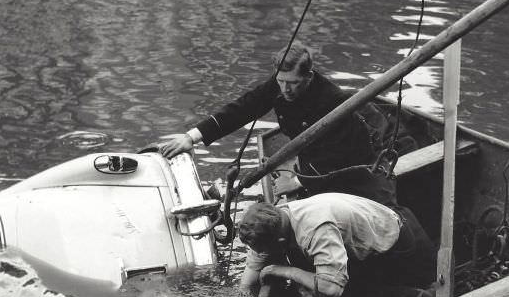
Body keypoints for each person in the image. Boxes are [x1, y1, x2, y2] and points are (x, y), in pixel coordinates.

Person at [158, 42, 397, 205]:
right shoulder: (280, 85)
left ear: (309, 77)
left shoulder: (332, 101)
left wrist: (296, 182)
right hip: (311, 160)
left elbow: (342, 155)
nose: (285, 89)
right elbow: (243, 109)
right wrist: (192, 137)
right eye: (281, 81)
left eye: (292, 83)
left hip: (349, 169)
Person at [237, 193, 436, 297]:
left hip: (396, 247)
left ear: (279, 241)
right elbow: (250, 274)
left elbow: (331, 288)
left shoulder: (316, 229)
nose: (261, 254)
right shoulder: (276, 217)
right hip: (370, 236)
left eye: (264, 249)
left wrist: (284, 270)